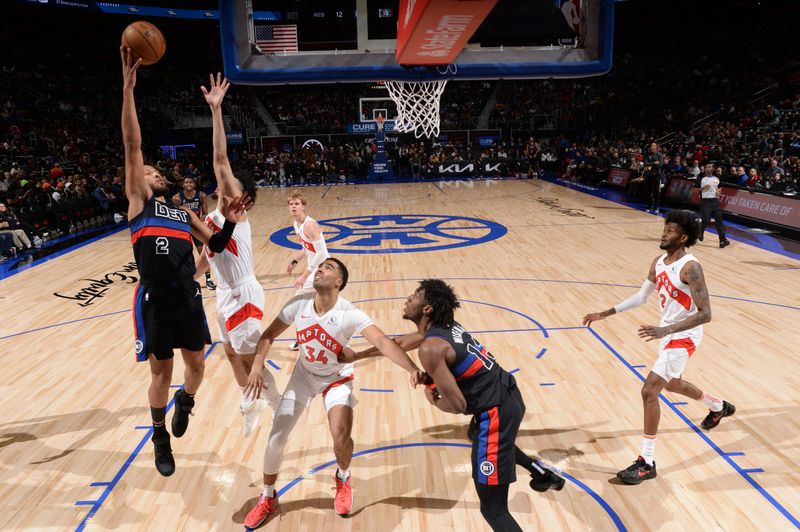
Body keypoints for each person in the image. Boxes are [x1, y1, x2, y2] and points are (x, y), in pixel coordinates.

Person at [346, 279, 565, 531]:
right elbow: (397, 344)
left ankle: (541, 474)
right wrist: (358, 355)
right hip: (509, 396)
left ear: (427, 309)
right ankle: (542, 473)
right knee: (475, 435)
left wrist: (433, 397)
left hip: (495, 412)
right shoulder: (443, 328)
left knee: (493, 509)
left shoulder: (431, 347)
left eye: (416, 295)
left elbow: (458, 405)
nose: (408, 298)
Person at [120, 47, 247, 477]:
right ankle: (159, 437)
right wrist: (128, 90)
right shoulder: (140, 205)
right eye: (148, 172)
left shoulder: (180, 211)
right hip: (156, 300)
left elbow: (215, 244)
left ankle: (186, 402)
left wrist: (228, 223)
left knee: (197, 368)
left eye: (156, 172)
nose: (152, 174)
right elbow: (132, 144)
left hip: (189, 298)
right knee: (161, 374)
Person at [243, 258, 424, 528]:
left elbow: (385, 343)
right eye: (320, 267)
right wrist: (257, 365)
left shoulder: (350, 313)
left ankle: (343, 476)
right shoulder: (298, 305)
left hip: (337, 378)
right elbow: (268, 335)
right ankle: (268, 497)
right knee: (276, 438)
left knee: (341, 437)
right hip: (303, 376)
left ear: (338, 282)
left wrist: (411, 368)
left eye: (328, 268)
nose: (320, 269)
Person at [581, 210, 735, 485]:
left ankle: (646, 462)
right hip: (667, 333)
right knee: (672, 384)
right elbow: (641, 296)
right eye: (665, 228)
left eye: (671, 230)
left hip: (684, 335)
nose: (664, 233)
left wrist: (666, 329)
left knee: (650, 390)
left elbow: (705, 314)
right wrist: (605, 313)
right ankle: (717, 406)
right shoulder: (659, 262)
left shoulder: (691, 267)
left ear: (684, 237)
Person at [192, 73, 281, 437]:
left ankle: (278, 403)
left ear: (242, 198)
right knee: (230, 354)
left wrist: (216, 110)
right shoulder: (211, 221)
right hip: (223, 294)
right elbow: (203, 263)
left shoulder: (236, 214)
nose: (225, 184)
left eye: (232, 184)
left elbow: (219, 157)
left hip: (243, 292)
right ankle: (250, 400)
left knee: (247, 357)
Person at [285, 190, 329, 349]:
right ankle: (310, 339)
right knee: (315, 309)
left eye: (297, 204)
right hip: (316, 270)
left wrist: (304, 275)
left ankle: (303, 339)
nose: (293, 206)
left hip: (324, 271)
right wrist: (295, 260)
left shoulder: (310, 225)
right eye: (291, 204)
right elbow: (307, 248)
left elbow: (322, 253)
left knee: (300, 305)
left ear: (303, 207)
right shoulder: (296, 224)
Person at [173, 175, 215, 289]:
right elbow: (175, 214)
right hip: (184, 228)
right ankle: (184, 279)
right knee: (185, 254)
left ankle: (209, 279)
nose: (188, 184)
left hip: (196, 227)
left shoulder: (201, 195)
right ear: (183, 185)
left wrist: (200, 222)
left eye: (190, 182)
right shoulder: (177, 197)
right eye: (186, 182)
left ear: (194, 184)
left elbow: (205, 213)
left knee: (203, 252)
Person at [698, 163, 730, 248]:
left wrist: (719, 191)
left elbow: (720, 186)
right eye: (707, 167)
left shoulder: (717, 178)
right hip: (705, 202)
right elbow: (694, 189)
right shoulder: (700, 178)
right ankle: (701, 230)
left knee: (719, 221)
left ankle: (722, 240)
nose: (709, 168)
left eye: (711, 167)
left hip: (715, 201)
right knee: (706, 220)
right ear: (704, 169)